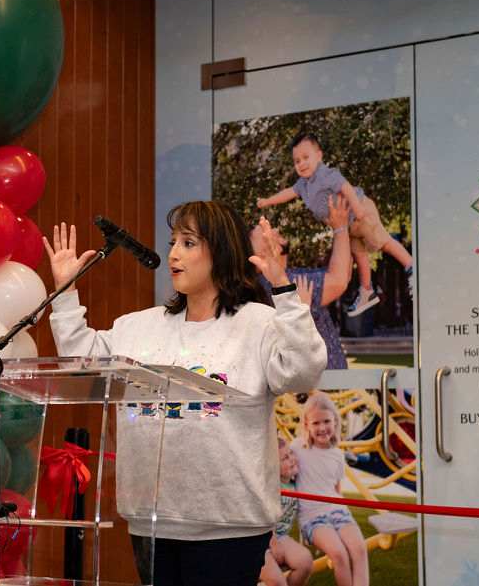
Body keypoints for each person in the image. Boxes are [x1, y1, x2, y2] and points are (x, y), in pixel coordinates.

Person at [43, 201, 328, 586]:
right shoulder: (138, 326)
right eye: (173, 241)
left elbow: (304, 372)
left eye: (189, 243)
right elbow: (85, 366)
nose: (174, 253)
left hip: (228, 526)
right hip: (151, 521)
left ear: (221, 251)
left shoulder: (257, 323)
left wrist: (284, 291)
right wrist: (64, 291)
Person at [256, 133, 413, 317]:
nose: (302, 164)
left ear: (319, 156)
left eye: (306, 158)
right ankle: (367, 291)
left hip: (360, 213)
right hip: (348, 224)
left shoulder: (326, 174)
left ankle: (410, 266)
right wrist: (268, 201)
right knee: (359, 254)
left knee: (384, 242)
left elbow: (345, 186)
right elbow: (287, 193)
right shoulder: (303, 184)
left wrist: (358, 208)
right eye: (297, 161)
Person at [250, 194, 352, 369]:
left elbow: (345, 274)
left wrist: (347, 231)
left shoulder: (290, 276)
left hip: (331, 387)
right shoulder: (280, 284)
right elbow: (339, 280)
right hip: (320, 390)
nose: (276, 231)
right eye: (266, 234)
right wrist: (341, 227)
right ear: (259, 254)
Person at [290, 392, 368, 586]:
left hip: (337, 510)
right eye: (316, 423)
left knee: (359, 549)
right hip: (312, 517)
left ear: (335, 421)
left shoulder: (337, 455)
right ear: (306, 425)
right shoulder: (298, 448)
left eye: (327, 421)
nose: (322, 428)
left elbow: (336, 489)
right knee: (339, 554)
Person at [260, 437, 314, 586]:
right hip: (259, 540)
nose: (292, 459)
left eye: (291, 453)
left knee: (305, 561)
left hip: (280, 535)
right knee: (278, 582)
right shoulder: (272, 487)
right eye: (285, 457)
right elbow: (265, 518)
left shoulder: (293, 483)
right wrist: (274, 544)